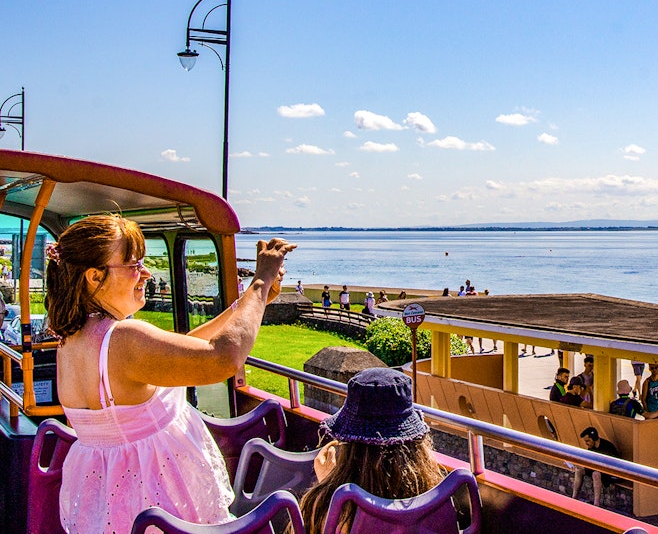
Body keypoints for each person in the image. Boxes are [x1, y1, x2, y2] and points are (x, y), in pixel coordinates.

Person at [46, 214, 294, 533]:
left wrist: (243, 304)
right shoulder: (122, 338)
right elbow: (225, 358)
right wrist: (261, 280)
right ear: (94, 276)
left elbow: (178, 352)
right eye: (133, 264)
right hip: (159, 507)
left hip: (116, 507)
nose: (146, 273)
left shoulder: (71, 341)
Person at [299, 367, 444, 534]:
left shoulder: (332, 509)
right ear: (416, 445)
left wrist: (327, 488)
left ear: (349, 445)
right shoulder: (438, 498)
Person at [571, 427, 621, 508]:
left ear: (594, 439)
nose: (586, 443)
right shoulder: (592, 448)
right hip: (597, 468)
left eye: (588, 441)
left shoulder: (607, 447)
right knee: (579, 470)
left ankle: (596, 504)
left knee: (596, 474)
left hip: (610, 473)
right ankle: (574, 497)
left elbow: (609, 466)